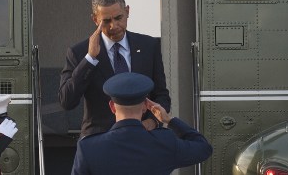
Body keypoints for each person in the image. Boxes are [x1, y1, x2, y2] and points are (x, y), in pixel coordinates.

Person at [59, 0, 171, 137]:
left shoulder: (149, 46)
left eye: (119, 18)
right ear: (95, 19)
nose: (114, 26)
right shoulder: (79, 53)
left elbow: (161, 95)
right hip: (99, 141)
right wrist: (90, 59)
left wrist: (152, 123)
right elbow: (67, 101)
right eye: (106, 21)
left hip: (143, 138)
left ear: (127, 11)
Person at [71, 72, 212, 175]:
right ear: (145, 106)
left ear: (112, 107)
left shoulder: (88, 148)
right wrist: (169, 120)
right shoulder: (165, 142)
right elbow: (204, 148)